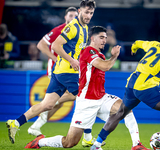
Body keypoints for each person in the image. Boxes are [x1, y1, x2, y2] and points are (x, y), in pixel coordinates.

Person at [24, 26, 149, 150]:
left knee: (126, 109)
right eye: (101, 37)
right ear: (92, 38)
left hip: (101, 98)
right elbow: (105, 67)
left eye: (105, 38)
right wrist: (114, 56)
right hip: (86, 102)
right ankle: (39, 143)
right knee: (69, 142)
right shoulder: (88, 51)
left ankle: (136, 145)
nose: (104, 40)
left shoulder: (99, 54)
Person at [6, 0, 96, 147]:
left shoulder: (85, 28)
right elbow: (55, 45)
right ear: (80, 11)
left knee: (46, 105)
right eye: (86, 12)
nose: (89, 15)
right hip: (67, 72)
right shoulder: (72, 27)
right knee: (87, 98)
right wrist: (72, 61)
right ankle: (87, 136)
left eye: (91, 13)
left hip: (59, 73)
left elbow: (78, 50)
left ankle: (16, 122)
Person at [91, 37, 160, 150]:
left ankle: (96, 145)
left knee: (120, 113)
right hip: (146, 85)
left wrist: (134, 48)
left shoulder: (155, 44)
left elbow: (138, 43)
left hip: (131, 83)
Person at [27, 6, 78, 136]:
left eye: (75, 16)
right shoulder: (59, 30)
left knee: (61, 102)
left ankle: (35, 126)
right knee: (71, 95)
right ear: (65, 17)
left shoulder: (77, 31)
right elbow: (40, 45)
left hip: (67, 70)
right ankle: (35, 122)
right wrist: (55, 58)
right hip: (56, 70)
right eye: (70, 16)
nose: (73, 18)